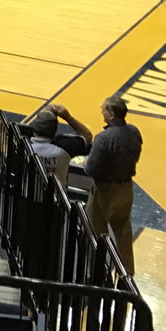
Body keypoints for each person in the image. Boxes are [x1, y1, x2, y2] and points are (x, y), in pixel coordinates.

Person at [83, 95, 143, 274]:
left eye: (103, 109)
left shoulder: (103, 138)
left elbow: (91, 170)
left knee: (95, 233)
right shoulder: (134, 132)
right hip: (126, 188)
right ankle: (127, 273)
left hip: (105, 191)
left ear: (111, 114)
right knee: (123, 232)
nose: (101, 111)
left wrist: (86, 162)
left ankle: (95, 272)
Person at [24, 104, 92, 186]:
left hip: (27, 193)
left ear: (34, 128)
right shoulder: (65, 147)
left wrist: (47, 110)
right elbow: (87, 136)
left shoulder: (24, 145)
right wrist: (67, 117)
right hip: (56, 196)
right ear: (55, 130)